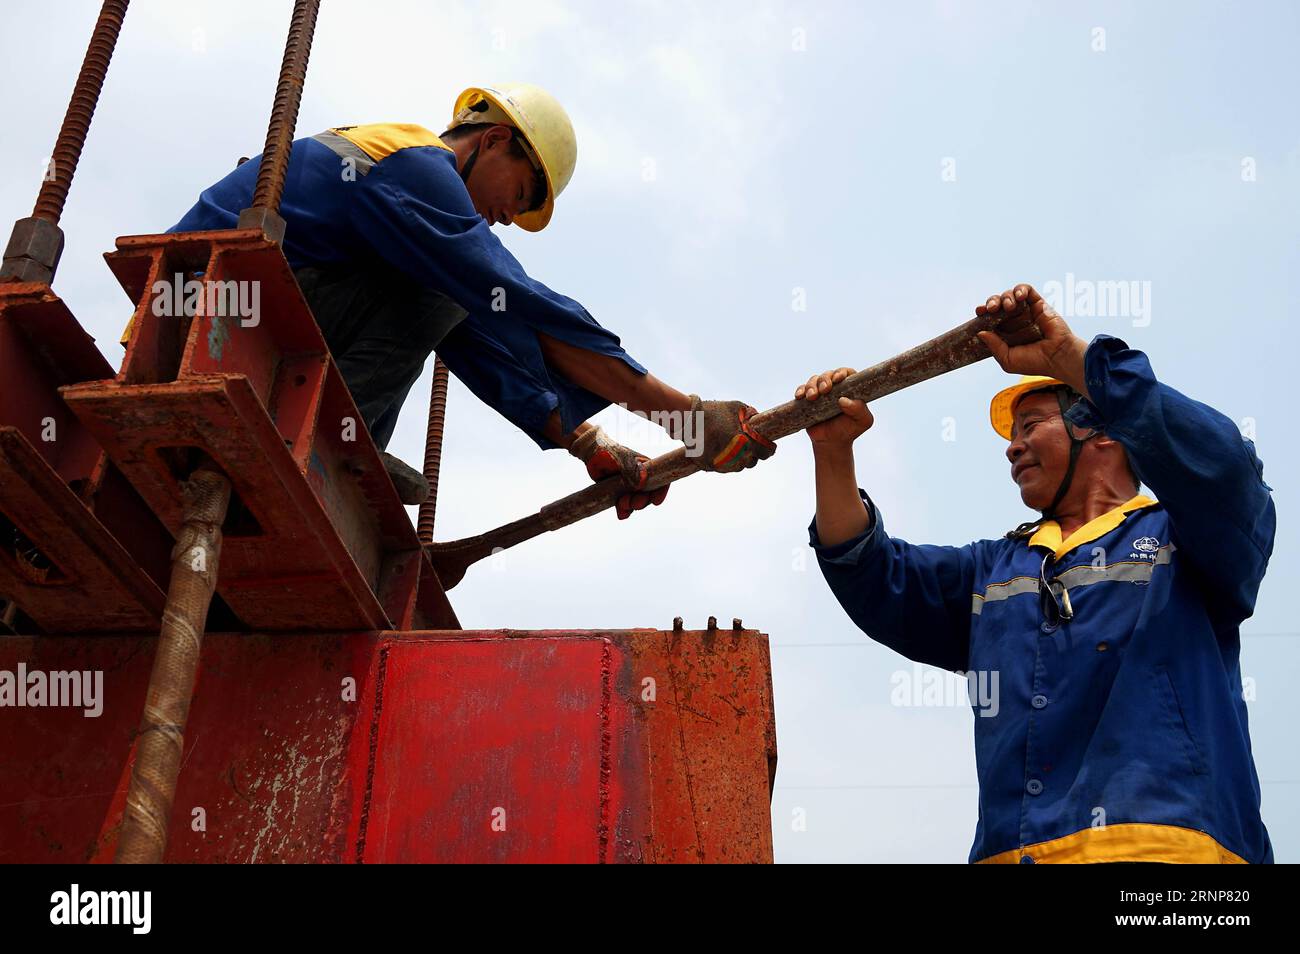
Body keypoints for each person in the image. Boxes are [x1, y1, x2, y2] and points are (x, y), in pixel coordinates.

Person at [799, 283, 1274, 863]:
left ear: (1101, 431)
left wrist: (1073, 358)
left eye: (1031, 426)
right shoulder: (994, 570)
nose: (1013, 448)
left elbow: (1225, 471)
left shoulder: (1184, 538)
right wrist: (832, 451)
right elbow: (871, 574)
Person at [149, 83, 775, 508]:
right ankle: (340, 443)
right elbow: (516, 299)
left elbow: (489, 343)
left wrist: (589, 442)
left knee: (459, 301)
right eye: (522, 193)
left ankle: (345, 439)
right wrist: (684, 415)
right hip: (209, 304)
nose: (509, 215)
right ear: (496, 140)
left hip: (233, 302)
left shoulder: (412, 204)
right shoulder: (415, 165)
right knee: (462, 293)